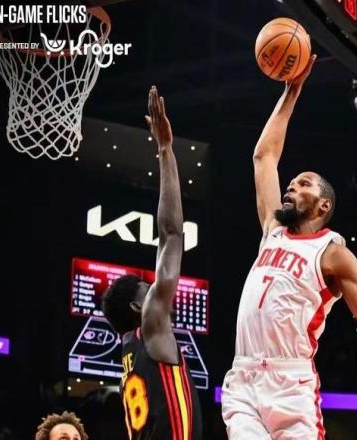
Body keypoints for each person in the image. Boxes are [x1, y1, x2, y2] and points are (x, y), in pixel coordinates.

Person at [221, 55, 357, 439]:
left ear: (323, 206)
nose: (291, 186)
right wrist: (292, 90)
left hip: (290, 386)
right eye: (292, 183)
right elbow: (264, 157)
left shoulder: (333, 254)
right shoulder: (272, 230)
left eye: (303, 184)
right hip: (243, 378)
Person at [101, 86, 202, 440]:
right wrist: (165, 149)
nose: (157, 290)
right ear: (137, 306)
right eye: (148, 288)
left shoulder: (129, 355)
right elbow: (172, 234)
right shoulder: (151, 326)